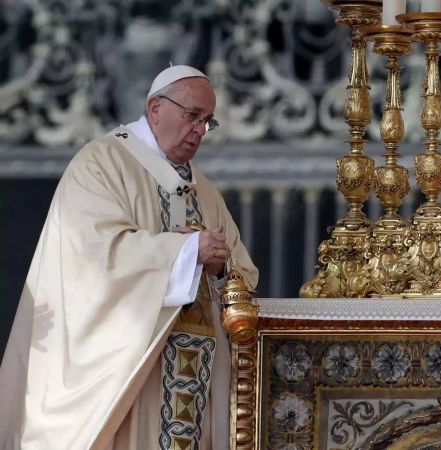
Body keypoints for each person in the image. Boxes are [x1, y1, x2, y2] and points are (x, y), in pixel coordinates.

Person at [0, 65, 258, 449]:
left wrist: (219, 266)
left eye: (208, 121)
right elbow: (93, 255)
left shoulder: (202, 190)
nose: (200, 130)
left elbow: (242, 274)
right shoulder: (101, 164)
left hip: (194, 379)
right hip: (130, 377)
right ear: (155, 108)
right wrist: (186, 251)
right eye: (192, 116)